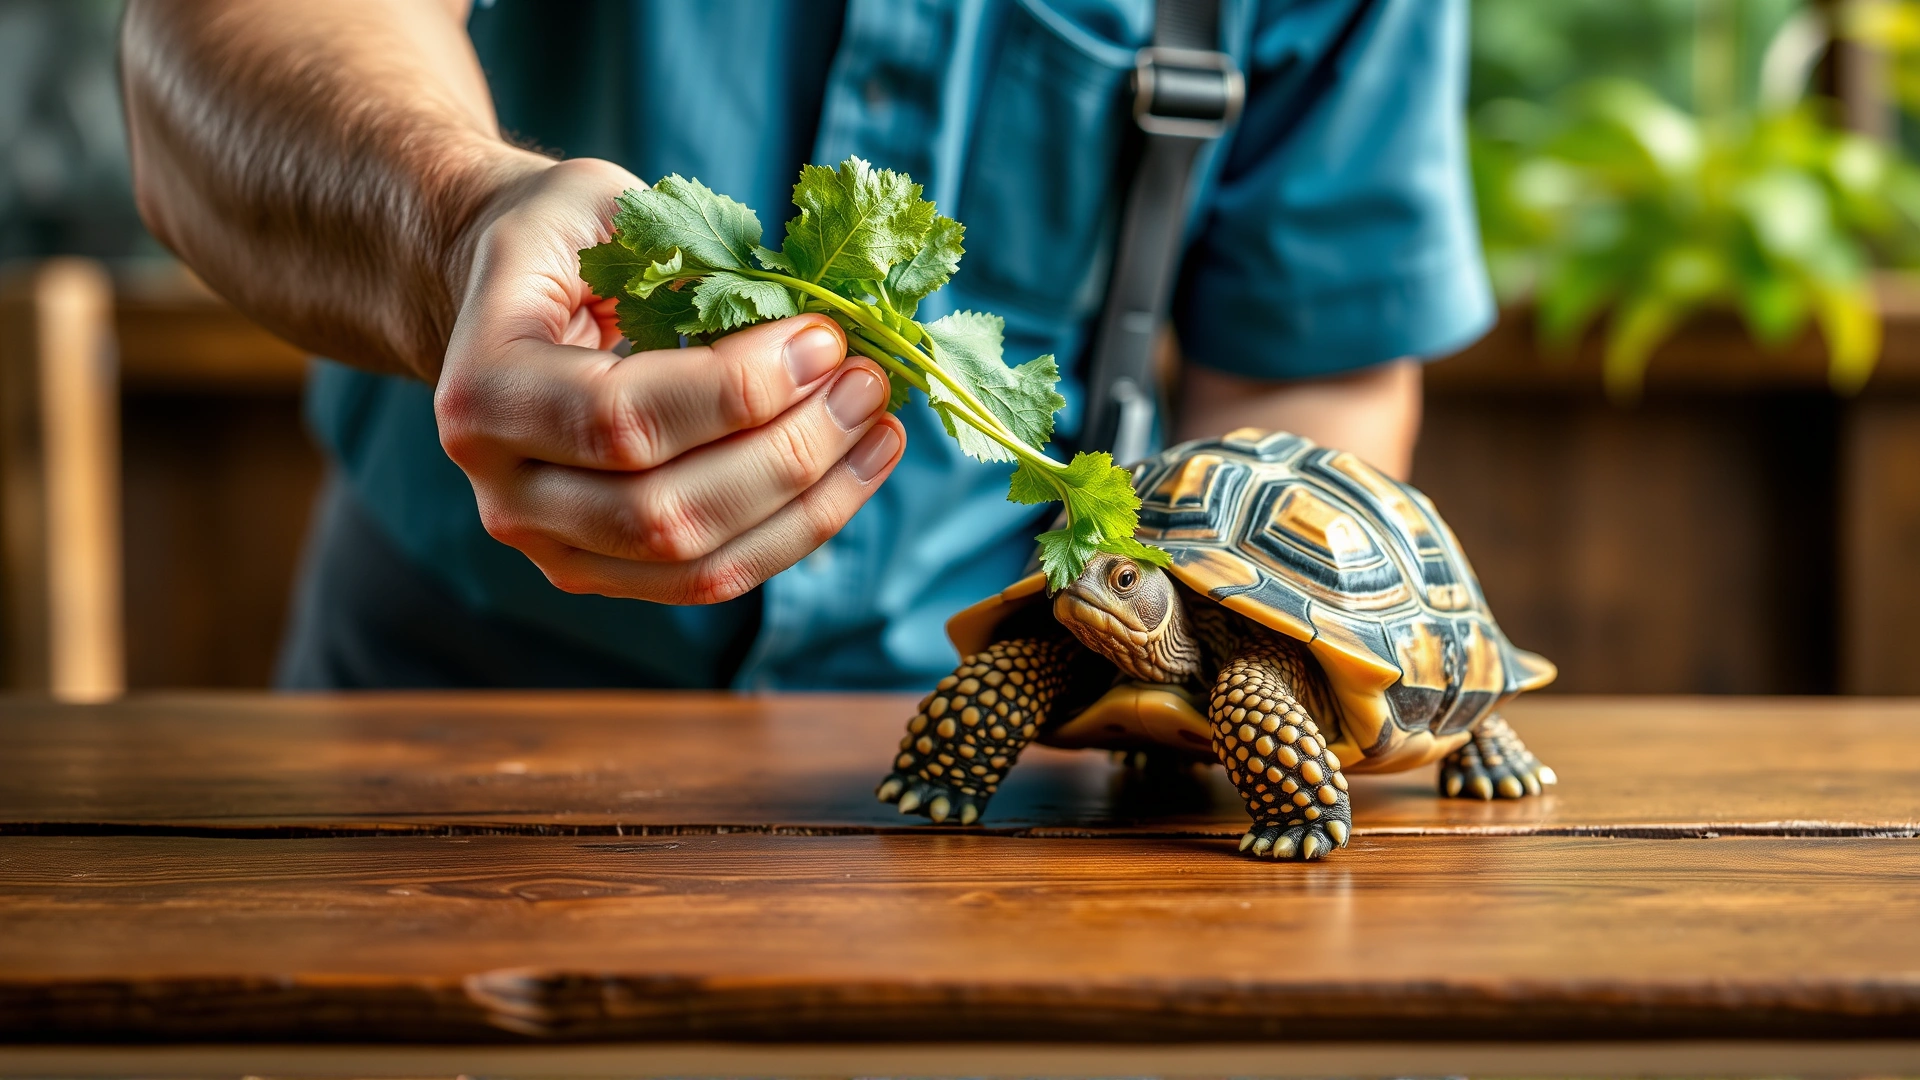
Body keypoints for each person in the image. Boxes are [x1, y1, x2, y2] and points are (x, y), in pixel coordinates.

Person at [120, 0, 1489, 691]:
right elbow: (202, 45)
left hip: (1001, 750)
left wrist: (1222, 680)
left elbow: (1317, 362)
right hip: (440, 690)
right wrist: (455, 224)